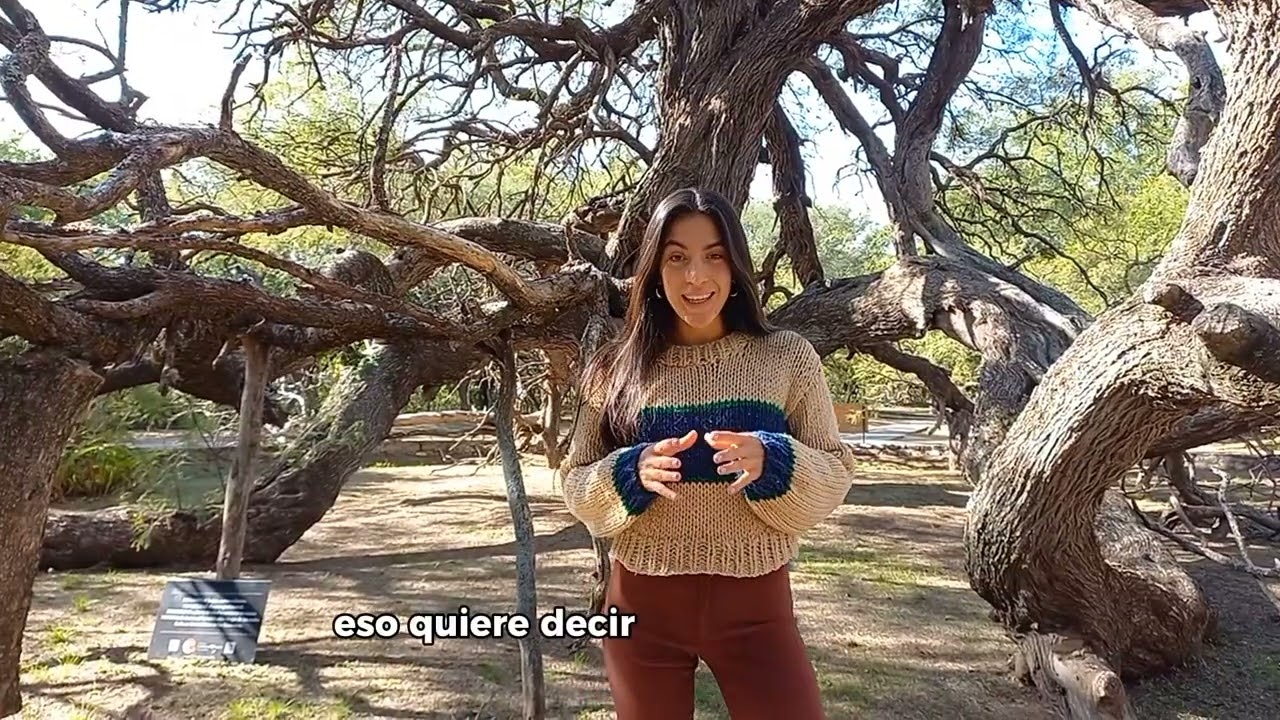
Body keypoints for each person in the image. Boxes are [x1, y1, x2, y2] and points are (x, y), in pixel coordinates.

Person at [557, 187, 857, 720]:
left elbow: (836, 469)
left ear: (736, 265)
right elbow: (574, 480)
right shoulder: (612, 369)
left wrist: (778, 462)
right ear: (653, 269)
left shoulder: (787, 358)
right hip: (640, 612)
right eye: (677, 258)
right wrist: (628, 473)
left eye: (713, 256)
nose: (695, 276)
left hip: (757, 611)